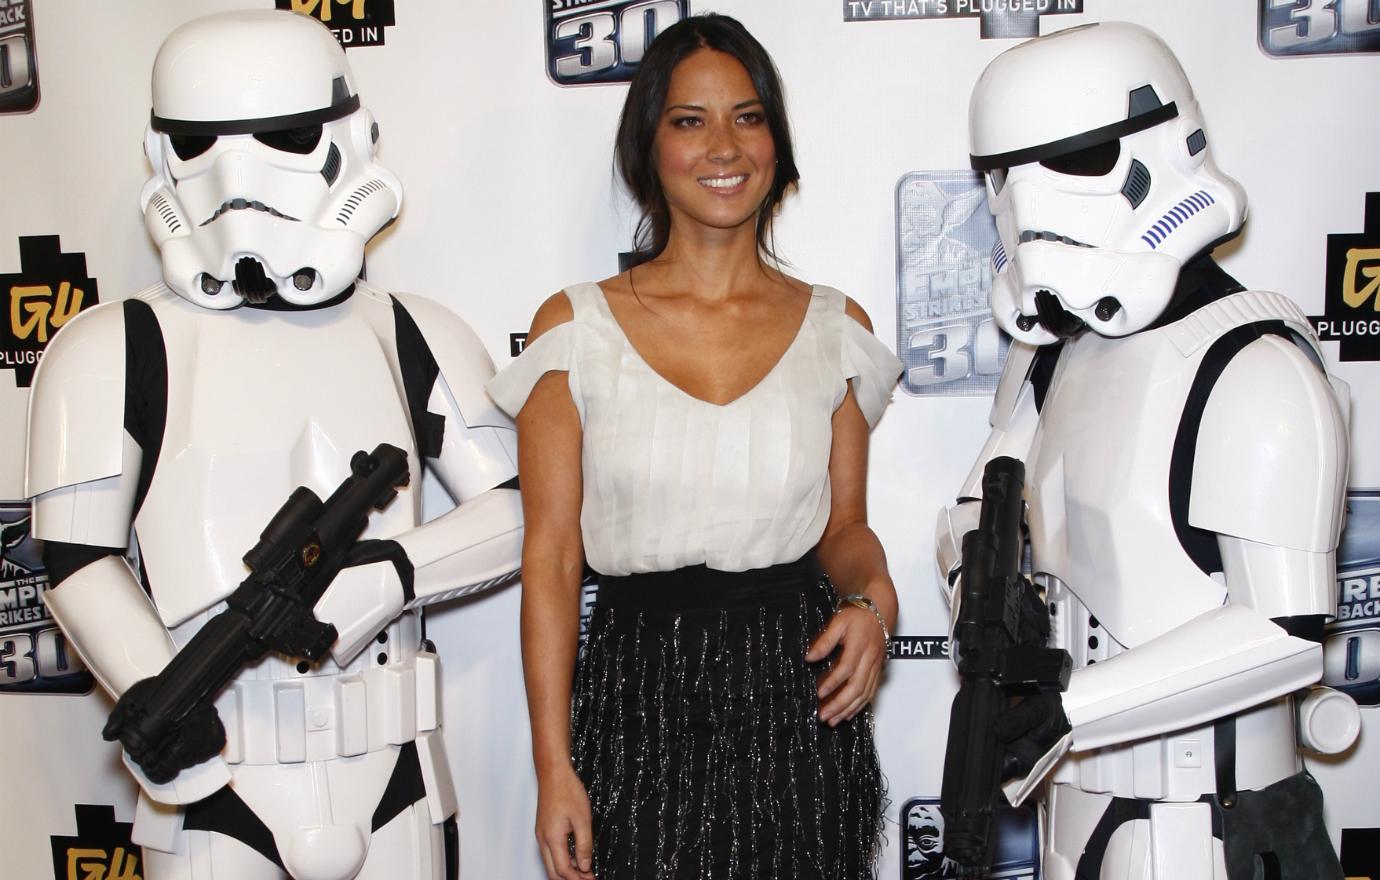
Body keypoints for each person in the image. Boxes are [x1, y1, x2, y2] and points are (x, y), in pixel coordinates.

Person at [26, 11, 523, 879]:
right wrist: (162, 697)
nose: (237, 175)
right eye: (200, 143)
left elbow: (520, 510)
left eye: (286, 138)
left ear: (351, 142)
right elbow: (76, 558)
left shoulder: (411, 333)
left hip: (393, 773)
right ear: (161, 158)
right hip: (213, 783)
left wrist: (391, 575)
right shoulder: (113, 349)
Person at [487, 14, 901, 880]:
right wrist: (552, 766)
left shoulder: (836, 327)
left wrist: (874, 601)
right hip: (635, 698)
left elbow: (845, 530)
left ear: (777, 145)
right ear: (650, 145)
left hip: (800, 701)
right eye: (689, 120)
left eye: (748, 117)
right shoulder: (574, 328)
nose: (724, 145)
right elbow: (553, 558)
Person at [936, 21, 1352, 879]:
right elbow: (979, 499)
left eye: (1069, 159)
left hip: (1206, 815)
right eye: (1002, 177)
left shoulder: (1254, 371)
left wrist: (1069, 713)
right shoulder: (1058, 354)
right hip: (1072, 807)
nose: (1026, 205)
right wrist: (983, 579)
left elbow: (1285, 628)